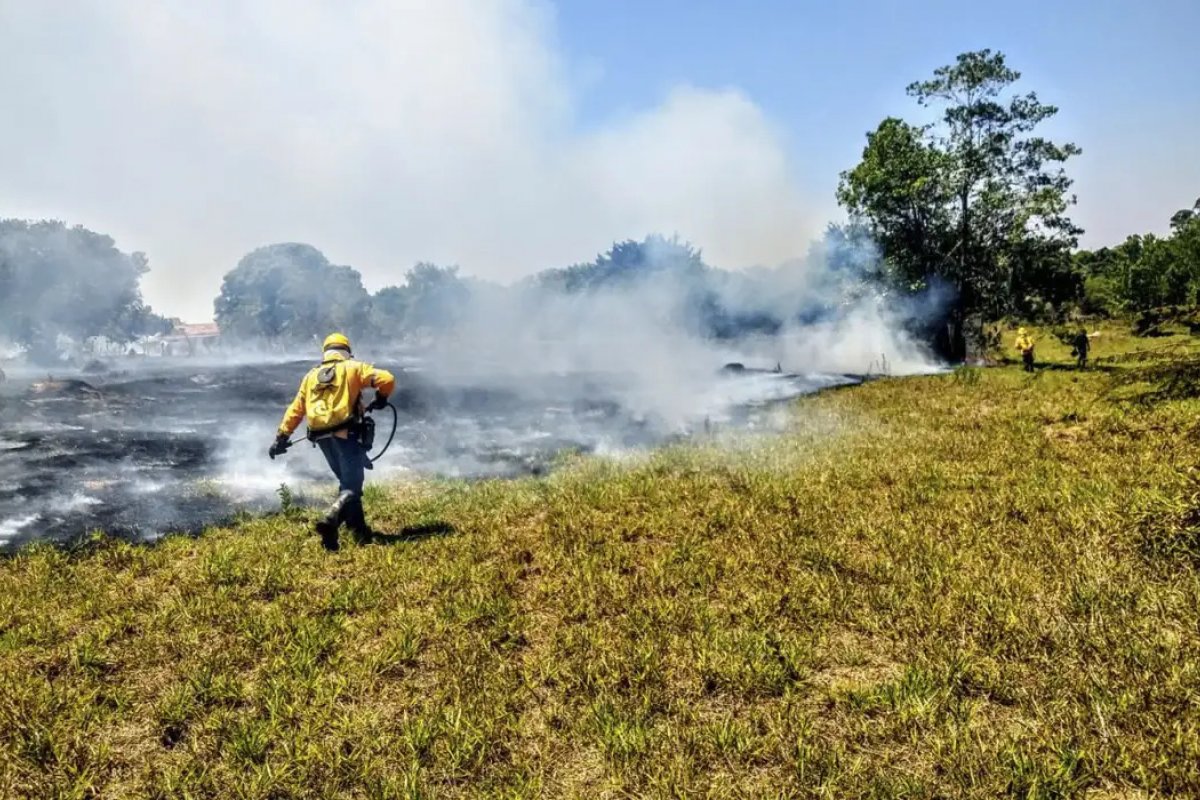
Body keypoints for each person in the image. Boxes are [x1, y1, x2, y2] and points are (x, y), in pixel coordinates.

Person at [269, 333, 395, 551]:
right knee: (352, 486)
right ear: (347, 352)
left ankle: (356, 529)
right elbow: (387, 379)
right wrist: (381, 398)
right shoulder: (353, 368)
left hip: (321, 437)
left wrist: (281, 437)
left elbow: (296, 409)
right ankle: (330, 519)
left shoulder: (311, 376)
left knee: (347, 483)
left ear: (325, 353)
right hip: (346, 433)